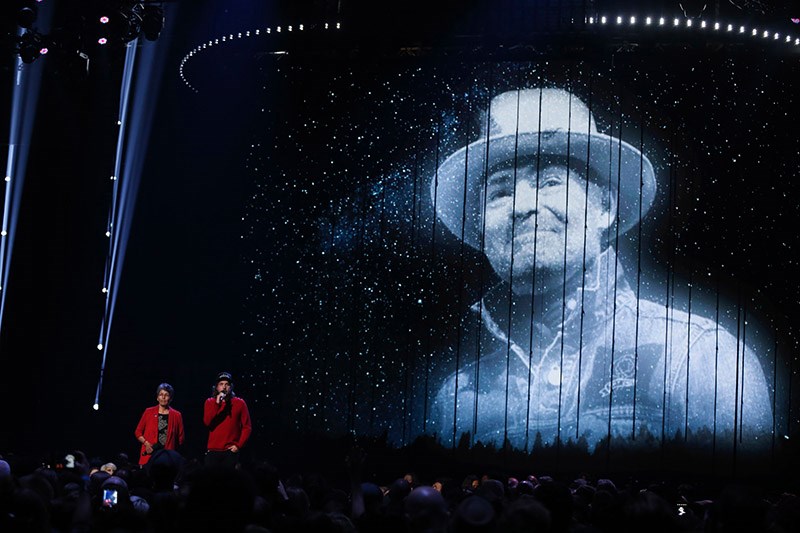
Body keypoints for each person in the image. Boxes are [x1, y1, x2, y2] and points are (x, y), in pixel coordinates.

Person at [429, 87, 772, 450]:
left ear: (604, 207)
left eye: (550, 183)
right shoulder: (453, 401)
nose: (522, 207)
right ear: (480, 227)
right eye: (500, 193)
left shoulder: (698, 356)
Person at [204, 372, 252, 467]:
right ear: (217, 387)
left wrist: (238, 445)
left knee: (227, 480)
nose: (224, 387)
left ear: (231, 387)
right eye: (221, 384)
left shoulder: (240, 403)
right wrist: (217, 404)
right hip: (213, 450)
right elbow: (207, 422)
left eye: (227, 384)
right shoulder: (210, 402)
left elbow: (247, 427)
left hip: (230, 451)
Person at [134, 383, 185, 466]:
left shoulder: (177, 415)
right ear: (157, 397)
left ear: (171, 398)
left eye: (166, 395)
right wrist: (146, 444)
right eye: (161, 394)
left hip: (168, 458)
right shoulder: (148, 412)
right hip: (149, 455)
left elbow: (181, 439)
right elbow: (138, 432)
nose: (163, 397)